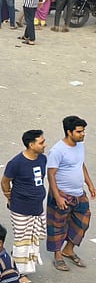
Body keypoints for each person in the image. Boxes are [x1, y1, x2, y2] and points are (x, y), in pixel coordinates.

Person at [0, 128, 48, 283]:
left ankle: (21, 265)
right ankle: (19, 273)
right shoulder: (16, 163)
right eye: (41, 142)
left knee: (32, 240)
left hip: (37, 208)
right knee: (22, 241)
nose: (44, 145)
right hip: (20, 209)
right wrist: (9, 197)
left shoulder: (42, 159)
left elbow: (40, 179)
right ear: (31, 144)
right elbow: (5, 182)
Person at [46, 115, 93, 271]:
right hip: (62, 193)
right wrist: (57, 196)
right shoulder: (57, 151)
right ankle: (58, 255)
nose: (83, 134)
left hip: (79, 193)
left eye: (83, 131)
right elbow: (51, 174)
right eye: (79, 131)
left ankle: (69, 249)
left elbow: (81, 164)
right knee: (57, 225)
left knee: (83, 221)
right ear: (69, 132)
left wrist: (89, 183)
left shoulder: (79, 145)